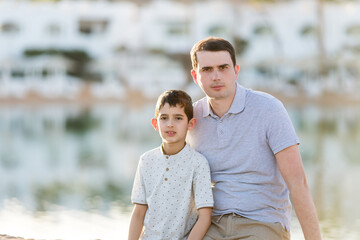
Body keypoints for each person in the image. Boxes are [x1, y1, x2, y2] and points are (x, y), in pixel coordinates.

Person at [186, 37, 322, 240]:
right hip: (210, 225)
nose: (216, 76)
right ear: (195, 76)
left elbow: (297, 182)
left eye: (223, 67)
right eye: (207, 70)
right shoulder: (191, 118)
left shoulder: (268, 109)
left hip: (262, 223)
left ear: (236, 71)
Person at [128, 90, 214, 240]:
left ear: (190, 123)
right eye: (164, 118)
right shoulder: (146, 160)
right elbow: (138, 213)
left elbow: (205, 217)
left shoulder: (198, 163)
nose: (170, 124)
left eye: (178, 118)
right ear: (155, 123)